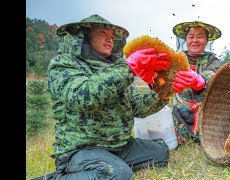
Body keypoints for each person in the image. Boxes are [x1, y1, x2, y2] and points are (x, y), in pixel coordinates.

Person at [36, 14, 173, 180]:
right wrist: (128, 68)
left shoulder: (115, 68)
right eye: (103, 33)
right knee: (119, 174)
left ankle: (107, 165)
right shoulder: (63, 64)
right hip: (81, 150)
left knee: (160, 152)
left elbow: (137, 107)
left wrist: (164, 92)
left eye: (112, 37)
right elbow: (85, 97)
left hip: (120, 146)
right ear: (85, 35)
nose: (109, 40)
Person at [170, 21, 222, 145]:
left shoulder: (213, 60)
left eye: (200, 36)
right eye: (191, 37)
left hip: (205, 109)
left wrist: (200, 80)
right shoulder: (177, 58)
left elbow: (212, 73)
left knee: (210, 138)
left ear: (206, 40)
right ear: (185, 40)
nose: (195, 40)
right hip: (180, 109)